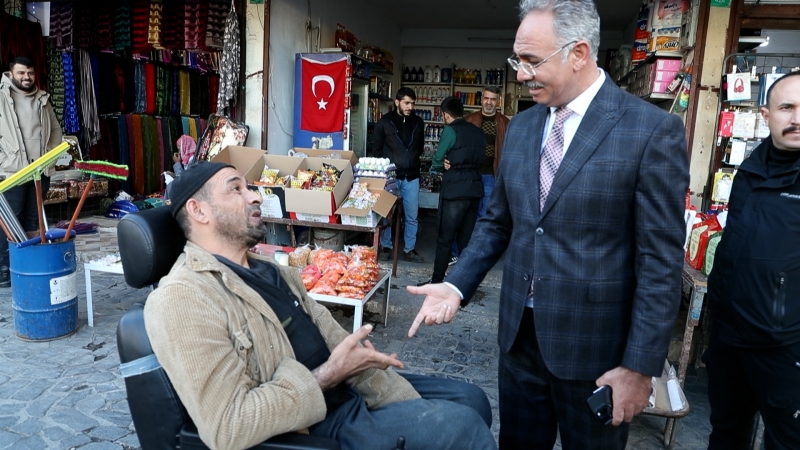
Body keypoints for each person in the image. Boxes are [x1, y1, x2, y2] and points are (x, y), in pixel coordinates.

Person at [406, 0, 690, 448]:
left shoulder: (650, 131)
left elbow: (660, 261)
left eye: (532, 61)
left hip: (596, 352)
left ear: (578, 54)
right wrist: (457, 285)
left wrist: (639, 368)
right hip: (519, 341)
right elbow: (498, 222)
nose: (521, 74)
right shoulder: (521, 128)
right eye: (517, 61)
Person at [144, 161, 496, 450]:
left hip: (347, 388)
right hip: (313, 425)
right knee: (462, 428)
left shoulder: (271, 270)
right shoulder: (182, 298)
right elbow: (228, 426)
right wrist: (330, 374)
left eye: (248, 187)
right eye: (236, 189)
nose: (254, 195)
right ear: (198, 210)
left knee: (471, 400)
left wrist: (368, 372)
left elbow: (331, 335)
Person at [704, 71, 800, 450]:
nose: (797, 118)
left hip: (784, 347)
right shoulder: (750, 168)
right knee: (726, 432)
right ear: (766, 114)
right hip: (730, 336)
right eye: (787, 107)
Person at [0, 57, 63, 287]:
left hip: (39, 171)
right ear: (10, 74)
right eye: (21, 73)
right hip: (11, 172)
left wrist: (49, 157)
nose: (26, 77)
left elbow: (55, 130)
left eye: (30, 73)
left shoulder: (42, 98)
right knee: (9, 221)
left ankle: (25, 265)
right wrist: (3, 160)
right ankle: (4, 268)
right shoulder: (1, 97)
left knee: (32, 219)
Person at [417, 97, 485, 287]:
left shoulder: (450, 130)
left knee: (445, 238)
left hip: (455, 189)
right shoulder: (478, 132)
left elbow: (437, 159)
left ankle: (437, 281)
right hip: (475, 188)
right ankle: (463, 283)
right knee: (466, 240)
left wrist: (442, 165)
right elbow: (481, 158)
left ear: (446, 115)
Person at [447, 86, 510, 265]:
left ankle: (475, 253)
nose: (489, 102)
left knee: (484, 216)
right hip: (470, 174)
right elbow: (456, 145)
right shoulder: (470, 120)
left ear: (498, 101)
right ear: (481, 99)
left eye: (493, 99)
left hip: (491, 175)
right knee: (463, 213)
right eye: (486, 98)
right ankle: (457, 252)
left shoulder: (505, 123)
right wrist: (448, 160)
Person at [372, 87, 425, 263]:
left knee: (411, 215)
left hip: (412, 175)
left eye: (412, 103)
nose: (410, 107)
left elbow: (420, 148)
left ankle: (409, 249)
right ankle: (386, 246)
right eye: (406, 103)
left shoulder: (418, 122)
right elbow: (376, 150)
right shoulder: (384, 122)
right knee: (387, 213)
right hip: (391, 177)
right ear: (397, 102)